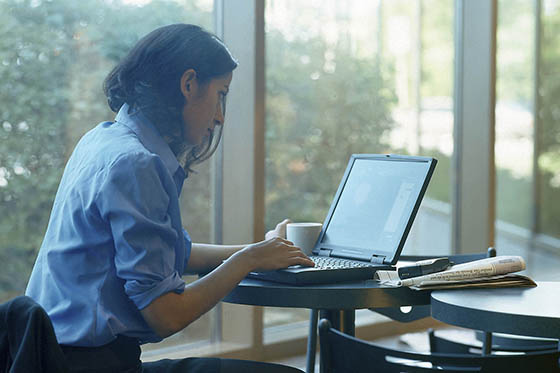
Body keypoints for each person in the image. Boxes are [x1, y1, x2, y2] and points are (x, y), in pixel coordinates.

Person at [25, 23, 314, 372]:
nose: (221, 116)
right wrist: (248, 260)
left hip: (60, 357)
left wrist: (260, 250)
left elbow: (164, 255)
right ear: (189, 84)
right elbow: (166, 315)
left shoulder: (103, 140)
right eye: (221, 94)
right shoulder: (136, 164)